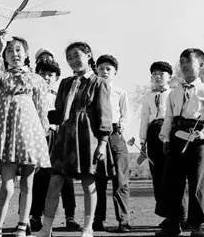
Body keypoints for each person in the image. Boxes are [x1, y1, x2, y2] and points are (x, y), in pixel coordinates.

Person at [36, 42, 112, 237]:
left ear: (88, 55)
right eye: (69, 57)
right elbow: (59, 112)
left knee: (89, 183)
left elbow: (105, 115)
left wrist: (102, 144)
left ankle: (88, 228)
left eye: (76, 55)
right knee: (54, 182)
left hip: (88, 137)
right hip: (64, 137)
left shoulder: (99, 82)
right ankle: (46, 228)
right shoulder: (65, 83)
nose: (73, 61)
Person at [0, 30, 51, 237]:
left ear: (26, 54)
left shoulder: (36, 79)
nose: (14, 53)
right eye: (9, 51)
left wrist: (42, 137)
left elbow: (41, 110)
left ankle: (22, 226)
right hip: (6, 136)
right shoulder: (3, 77)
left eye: (18, 49)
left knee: (28, 184)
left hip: (29, 136)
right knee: (7, 186)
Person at [157, 48, 204, 237]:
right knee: (172, 182)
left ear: (200, 65)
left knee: (197, 183)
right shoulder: (174, 92)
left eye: (189, 61)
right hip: (177, 136)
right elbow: (168, 117)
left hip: (198, 139)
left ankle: (196, 226)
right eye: (182, 61)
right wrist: (166, 137)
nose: (184, 65)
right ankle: (173, 222)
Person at [29, 50, 81, 232]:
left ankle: (70, 216)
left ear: (56, 77)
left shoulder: (61, 92)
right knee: (38, 177)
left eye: (50, 74)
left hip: (59, 137)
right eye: (42, 73)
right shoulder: (31, 93)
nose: (46, 77)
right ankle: (34, 215)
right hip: (38, 138)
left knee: (64, 178)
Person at [137, 61, 188, 226]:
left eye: (161, 74)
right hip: (153, 134)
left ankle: (182, 215)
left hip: (170, 133)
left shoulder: (175, 93)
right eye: (154, 74)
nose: (157, 77)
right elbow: (144, 118)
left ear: (170, 77)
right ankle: (169, 216)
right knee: (158, 175)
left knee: (173, 175)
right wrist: (142, 141)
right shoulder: (148, 96)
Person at [92, 55, 131, 232]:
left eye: (108, 69)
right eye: (101, 68)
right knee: (98, 180)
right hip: (98, 136)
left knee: (121, 180)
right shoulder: (92, 90)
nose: (104, 71)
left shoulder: (120, 92)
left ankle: (123, 220)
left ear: (115, 72)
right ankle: (97, 219)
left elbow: (126, 114)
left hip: (116, 135)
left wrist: (122, 125)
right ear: (96, 71)